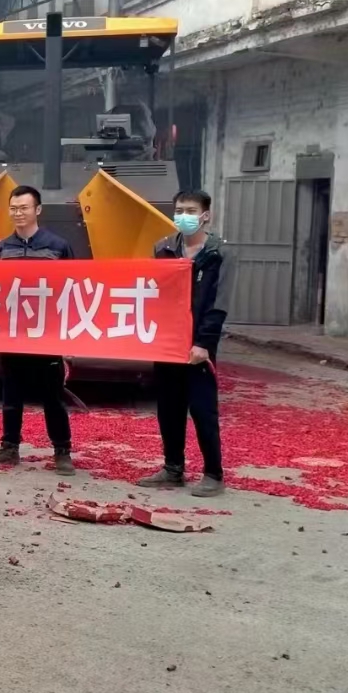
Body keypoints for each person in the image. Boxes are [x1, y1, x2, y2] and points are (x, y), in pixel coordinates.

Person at [138, 190, 235, 498]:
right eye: (179, 210)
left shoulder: (219, 253)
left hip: (199, 345)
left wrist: (204, 343)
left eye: (190, 210)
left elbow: (218, 304)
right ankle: (173, 468)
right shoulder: (164, 248)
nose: (183, 216)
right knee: (169, 407)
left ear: (206, 215)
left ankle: (213, 473)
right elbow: (155, 293)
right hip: (168, 342)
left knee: (203, 409)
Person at [0, 185, 78, 476]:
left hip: (46, 333)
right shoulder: (0, 249)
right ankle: (9, 445)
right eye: (13, 208)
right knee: (11, 392)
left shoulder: (58, 246)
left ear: (37, 210)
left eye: (24, 208)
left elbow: (72, 289)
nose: (18, 213)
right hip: (12, 332)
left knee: (52, 395)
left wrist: (68, 337)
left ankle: (62, 450)